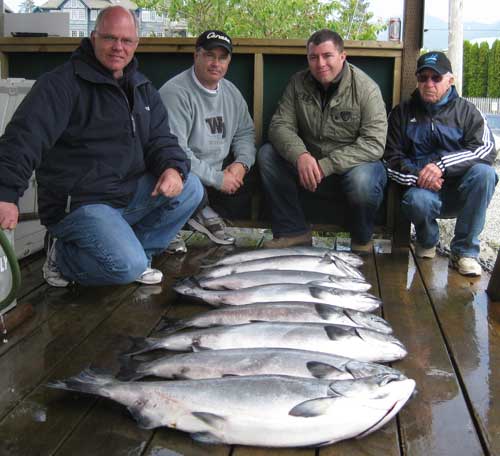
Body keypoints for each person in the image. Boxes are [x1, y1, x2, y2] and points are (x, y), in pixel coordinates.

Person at [0, 6, 203, 287]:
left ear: (136, 44)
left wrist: (171, 168)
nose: (118, 47)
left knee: (190, 186)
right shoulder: (61, 85)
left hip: (125, 193)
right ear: (93, 37)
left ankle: (137, 257)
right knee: (124, 267)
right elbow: (23, 138)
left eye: (126, 40)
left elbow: (161, 139)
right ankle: (63, 256)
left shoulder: (141, 88)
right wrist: (5, 193)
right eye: (110, 38)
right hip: (81, 203)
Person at [257, 29, 388, 251]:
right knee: (267, 155)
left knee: (364, 182)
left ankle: (361, 239)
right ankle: (294, 231)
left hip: (352, 166)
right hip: (308, 165)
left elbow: (374, 143)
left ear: (342, 56)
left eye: (327, 55)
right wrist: (301, 155)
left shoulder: (367, 89)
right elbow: (279, 126)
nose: (320, 63)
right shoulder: (297, 83)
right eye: (313, 57)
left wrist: (327, 165)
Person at [384, 51, 497, 276]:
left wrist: (441, 166)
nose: (429, 83)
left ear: (450, 80)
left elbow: (485, 149)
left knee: (485, 174)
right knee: (417, 200)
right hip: (422, 193)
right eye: (423, 78)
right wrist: (420, 177)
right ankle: (427, 241)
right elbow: (390, 158)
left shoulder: (468, 111)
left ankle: (464, 252)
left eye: (436, 78)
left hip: (460, 192)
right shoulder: (402, 113)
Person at [159, 30, 256, 248]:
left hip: (215, 175)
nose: (216, 63)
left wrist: (241, 165)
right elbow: (175, 151)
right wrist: (218, 179)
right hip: (182, 172)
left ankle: (199, 212)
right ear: (196, 56)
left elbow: (245, 133)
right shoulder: (175, 92)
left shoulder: (231, 92)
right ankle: (167, 226)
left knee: (253, 176)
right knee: (179, 178)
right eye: (210, 55)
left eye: (222, 58)